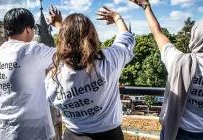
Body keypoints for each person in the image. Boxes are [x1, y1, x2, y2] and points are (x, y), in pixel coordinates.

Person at [129, 0, 203, 140]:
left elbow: (157, 33)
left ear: (195, 37)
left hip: (179, 132)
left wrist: (146, 7)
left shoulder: (179, 61)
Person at [44, 6, 135, 140]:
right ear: (93, 36)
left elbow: (52, 99)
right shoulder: (108, 61)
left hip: (72, 135)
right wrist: (117, 17)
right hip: (110, 135)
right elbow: (127, 39)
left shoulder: (54, 76)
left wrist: (61, 27)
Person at [0, 8, 60, 140]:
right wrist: (58, 24)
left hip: (4, 132)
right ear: (28, 29)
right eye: (33, 28)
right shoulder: (31, 50)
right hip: (33, 133)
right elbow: (68, 53)